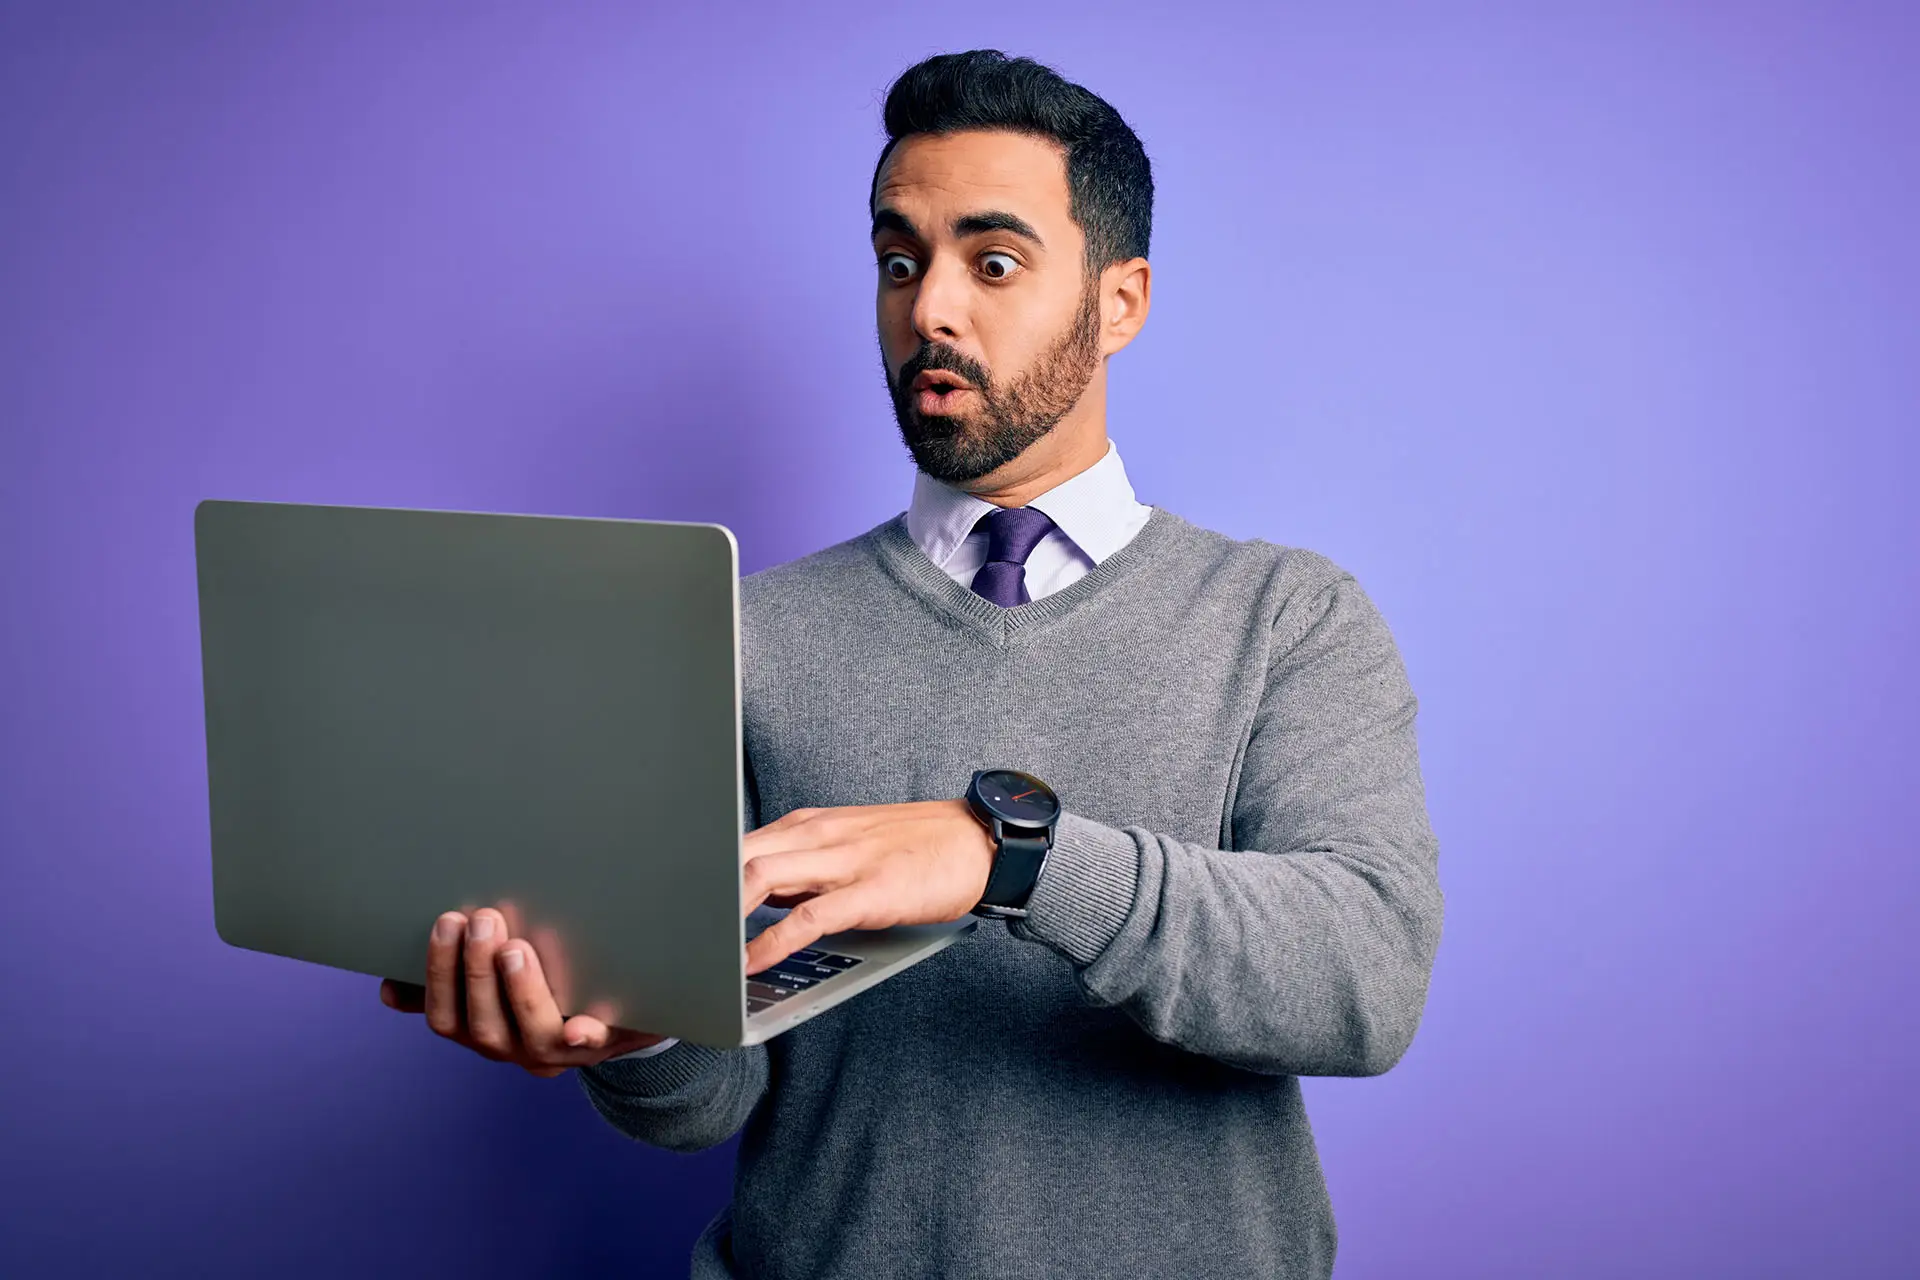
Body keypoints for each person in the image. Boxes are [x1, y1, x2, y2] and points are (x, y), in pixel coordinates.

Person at [379, 48, 1444, 1280]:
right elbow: (706, 1099)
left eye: (993, 262)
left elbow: (1365, 978)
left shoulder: (1285, 616)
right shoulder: (740, 637)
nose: (930, 306)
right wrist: (622, 1033)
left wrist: (1013, 857)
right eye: (901, 260)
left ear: (1121, 300)